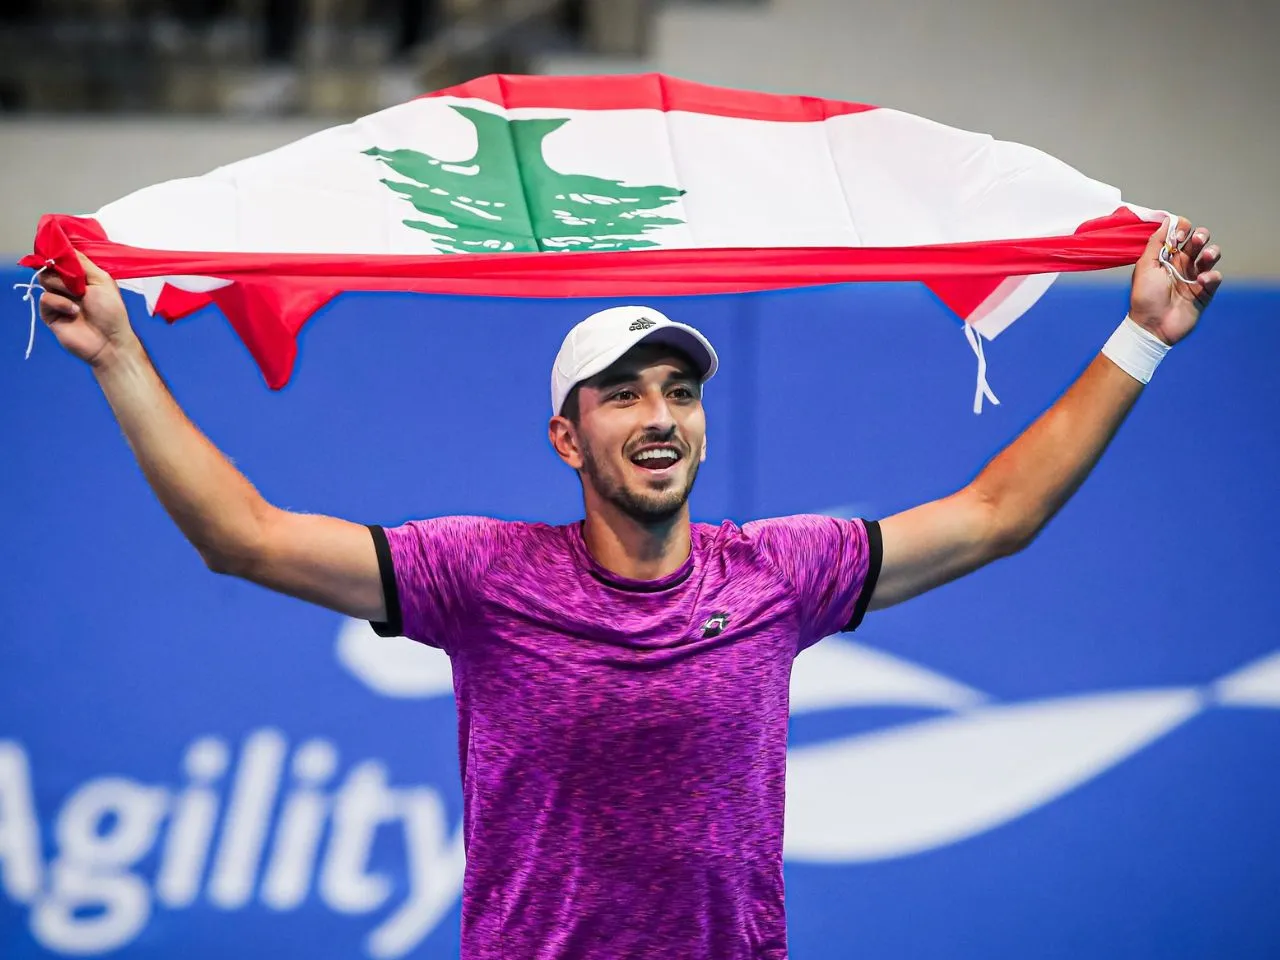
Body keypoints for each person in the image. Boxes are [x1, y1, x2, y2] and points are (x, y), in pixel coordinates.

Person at [37, 220, 1222, 960]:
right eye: (623, 393)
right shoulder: (478, 577)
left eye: (678, 391)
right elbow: (241, 538)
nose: (659, 416)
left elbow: (994, 516)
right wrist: (120, 357)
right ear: (567, 436)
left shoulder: (780, 574)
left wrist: (1143, 337)